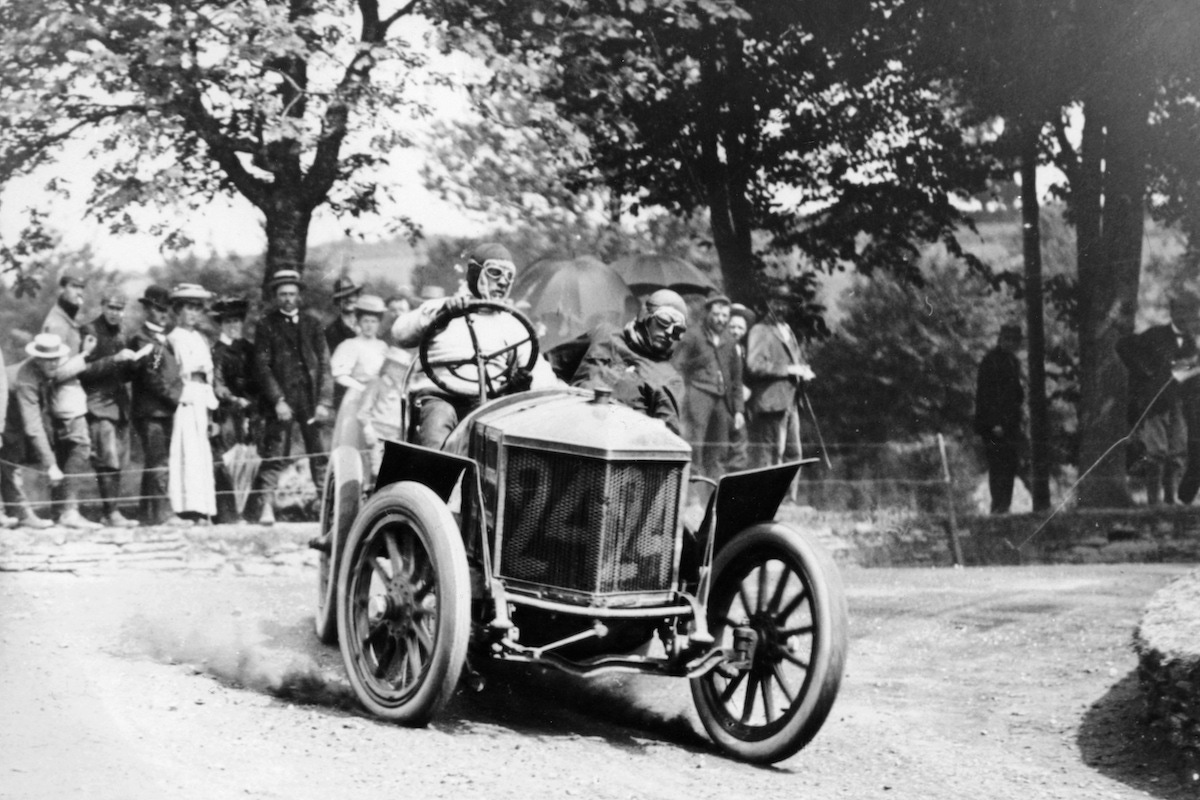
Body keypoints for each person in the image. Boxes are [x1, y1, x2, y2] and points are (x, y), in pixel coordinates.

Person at [391, 243, 554, 449]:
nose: (503, 282)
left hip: (487, 403)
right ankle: (434, 477)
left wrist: (524, 384)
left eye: (508, 276)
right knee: (439, 419)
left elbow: (543, 379)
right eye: (495, 273)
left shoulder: (513, 325)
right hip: (437, 396)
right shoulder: (441, 308)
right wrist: (441, 315)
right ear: (475, 272)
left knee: (499, 434)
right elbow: (400, 334)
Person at [246, 269, 334, 525]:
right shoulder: (266, 325)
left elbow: (325, 364)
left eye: (292, 294)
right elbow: (262, 367)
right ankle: (266, 508)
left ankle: (327, 509)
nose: (287, 299)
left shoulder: (313, 324)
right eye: (282, 294)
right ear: (275, 296)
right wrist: (277, 400)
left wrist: (324, 402)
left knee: (319, 453)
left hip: (310, 397)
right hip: (283, 398)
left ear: (299, 296)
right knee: (275, 453)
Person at [1117, 294, 1200, 505]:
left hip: (1179, 405)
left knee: (1177, 451)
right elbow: (1123, 345)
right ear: (1172, 312)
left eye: (1191, 312)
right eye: (1180, 311)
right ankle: (1154, 501)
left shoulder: (1192, 344)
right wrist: (1145, 374)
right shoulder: (1155, 335)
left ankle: (1171, 500)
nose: (1186, 317)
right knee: (1156, 452)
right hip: (1156, 403)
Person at [572, 289, 688, 435]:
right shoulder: (603, 335)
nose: (669, 332)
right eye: (664, 321)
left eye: (678, 330)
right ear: (645, 316)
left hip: (614, 447)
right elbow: (549, 370)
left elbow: (667, 441)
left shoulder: (669, 379)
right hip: (569, 432)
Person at [0, 334, 80, 528]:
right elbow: (33, 425)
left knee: (10, 462)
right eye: (48, 360)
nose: (53, 364)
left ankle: (16, 513)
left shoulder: (43, 372)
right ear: (37, 359)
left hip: (13, 418)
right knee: (11, 463)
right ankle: (22, 514)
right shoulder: (26, 380)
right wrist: (51, 465)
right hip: (7, 420)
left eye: (56, 359)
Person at [129, 285, 189, 527]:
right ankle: (163, 514)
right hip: (152, 410)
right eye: (157, 309)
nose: (163, 315)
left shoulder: (165, 339)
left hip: (163, 409)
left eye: (166, 310)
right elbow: (152, 377)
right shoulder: (144, 340)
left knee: (157, 461)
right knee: (159, 461)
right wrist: (176, 399)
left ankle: (148, 513)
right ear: (147, 309)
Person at [79, 290, 139, 528]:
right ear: (103, 306)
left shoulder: (122, 333)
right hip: (97, 402)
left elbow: (123, 376)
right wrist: (114, 359)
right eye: (111, 308)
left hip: (120, 404)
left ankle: (112, 511)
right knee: (107, 458)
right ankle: (110, 512)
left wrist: (134, 363)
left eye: (120, 308)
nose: (115, 313)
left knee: (119, 460)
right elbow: (82, 370)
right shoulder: (90, 331)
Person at [673, 295, 746, 477]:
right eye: (716, 314)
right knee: (695, 442)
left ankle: (713, 492)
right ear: (707, 314)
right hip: (698, 394)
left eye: (724, 315)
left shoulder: (729, 341)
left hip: (722, 398)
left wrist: (738, 410)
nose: (721, 319)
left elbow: (737, 379)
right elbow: (677, 366)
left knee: (720, 445)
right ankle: (692, 494)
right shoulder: (693, 335)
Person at [166, 284, 219, 521]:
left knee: (201, 453)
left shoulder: (201, 338)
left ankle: (203, 508)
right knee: (185, 451)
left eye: (197, 308)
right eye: (189, 308)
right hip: (184, 399)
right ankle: (186, 507)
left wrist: (210, 412)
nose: (193, 313)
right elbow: (171, 374)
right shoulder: (172, 338)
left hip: (201, 399)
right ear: (178, 310)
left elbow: (208, 375)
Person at [745, 293, 814, 468]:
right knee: (772, 457)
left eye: (786, 304)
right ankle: (770, 496)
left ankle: (790, 497)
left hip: (791, 402)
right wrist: (789, 370)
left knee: (794, 455)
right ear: (768, 303)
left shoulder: (787, 330)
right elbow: (755, 365)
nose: (782, 308)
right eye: (777, 303)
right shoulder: (760, 330)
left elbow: (791, 361)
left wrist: (802, 371)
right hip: (772, 404)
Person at [210, 297, 261, 524]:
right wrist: (232, 398)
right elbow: (217, 383)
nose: (234, 326)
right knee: (226, 459)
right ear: (221, 324)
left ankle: (249, 511)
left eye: (238, 321)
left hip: (250, 411)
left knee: (251, 459)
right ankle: (227, 513)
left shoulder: (249, 350)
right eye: (229, 321)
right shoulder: (217, 351)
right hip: (227, 411)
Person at [974, 324, 1026, 514]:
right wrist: (994, 422)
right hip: (994, 423)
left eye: (1014, 340)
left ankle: (1006, 505)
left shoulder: (1013, 361)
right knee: (997, 465)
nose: (1011, 343)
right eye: (1007, 339)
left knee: (1010, 463)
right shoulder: (991, 361)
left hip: (1011, 423)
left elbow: (1015, 395)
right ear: (1001, 339)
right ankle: (998, 506)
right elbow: (986, 395)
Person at [358, 347, 410, 478]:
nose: (399, 371)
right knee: (377, 472)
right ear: (388, 365)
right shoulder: (377, 383)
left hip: (398, 437)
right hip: (378, 436)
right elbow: (363, 411)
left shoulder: (405, 390)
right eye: (396, 366)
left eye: (403, 368)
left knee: (397, 472)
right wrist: (367, 428)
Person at [330, 294, 389, 394]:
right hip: (356, 394)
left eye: (373, 321)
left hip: (378, 395)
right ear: (359, 322)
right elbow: (339, 376)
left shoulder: (382, 346)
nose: (369, 326)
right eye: (365, 321)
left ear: (379, 323)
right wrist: (362, 389)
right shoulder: (349, 345)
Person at [325, 274, 362, 356]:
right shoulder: (331, 331)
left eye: (352, 295)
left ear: (357, 297)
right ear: (338, 301)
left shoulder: (366, 323)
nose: (349, 299)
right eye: (344, 297)